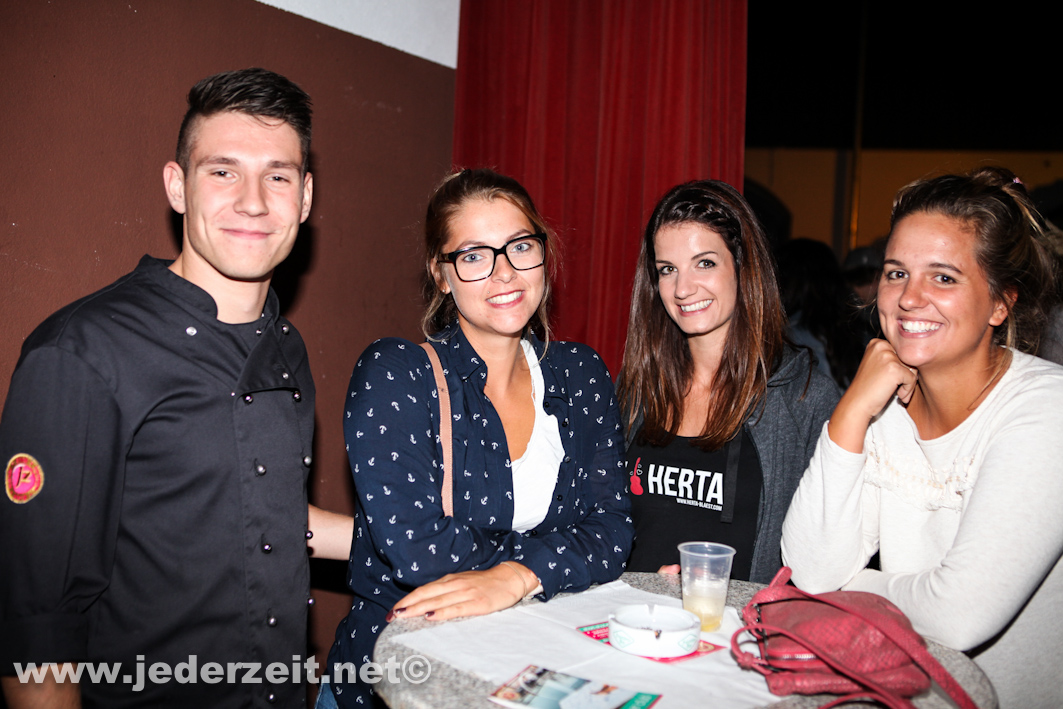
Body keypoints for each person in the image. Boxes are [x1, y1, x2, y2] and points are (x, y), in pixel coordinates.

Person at [0, 68, 351, 708]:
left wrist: (432, 547)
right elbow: (35, 621)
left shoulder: (285, 344)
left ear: (304, 198)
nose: (253, 201)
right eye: (222, 171)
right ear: (176, 186)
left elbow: (260, 512)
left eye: (277, 176)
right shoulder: (82, 351)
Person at [320, 169, 633, 708]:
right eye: (473, 256)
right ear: (442, 275)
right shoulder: (397, 374)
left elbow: (613, 531)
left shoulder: (581, 373)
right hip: (398, 681)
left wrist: (518, 576)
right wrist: (550, 563)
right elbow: (419, 551)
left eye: (520, 247)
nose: (504, 273)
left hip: (531, 673)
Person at [781, 167, 1063, 708]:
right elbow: (810, 568)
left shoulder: (1045, 410)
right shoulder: (884, 409)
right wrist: (851, 411)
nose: (909, 298)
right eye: (896, 273)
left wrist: (845, 589)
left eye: (944, 278)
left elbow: (958, 615)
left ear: (1001, 303)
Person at [615, 180, 839, 584]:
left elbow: (827, 556)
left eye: (705, 263)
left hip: (739, 622)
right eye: (667, 270)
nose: (683, 289)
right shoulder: (638, 390)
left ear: (742, 267)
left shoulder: (802, 398)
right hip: (634, 616)